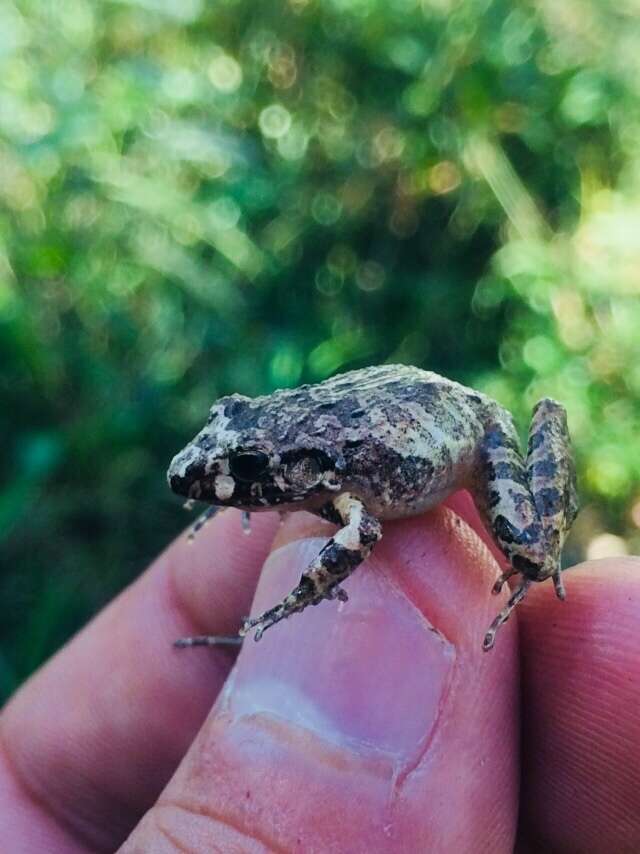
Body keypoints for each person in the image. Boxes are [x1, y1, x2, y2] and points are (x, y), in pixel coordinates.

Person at [1, 494, 638, 852]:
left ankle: (537, 556)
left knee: (526, 547)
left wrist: (294, 602)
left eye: (251, 473)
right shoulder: (309, 476)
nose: (238, 485)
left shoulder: (338, 488)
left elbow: (360, 537)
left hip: (462, 433)